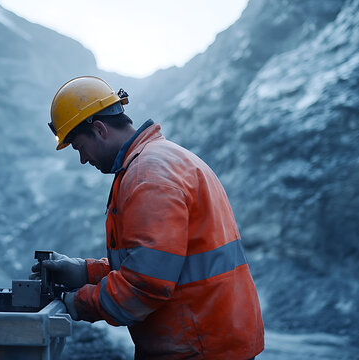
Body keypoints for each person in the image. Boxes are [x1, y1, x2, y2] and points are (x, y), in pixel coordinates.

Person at [32, 76, 264, 359]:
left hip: (199, 346)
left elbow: (145, 284)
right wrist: (84, 271)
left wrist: (78, 303)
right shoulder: (161, 160)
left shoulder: (148, 175)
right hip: (209, 338)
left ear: (100, 129)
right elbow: (160, 263)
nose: (83, 159)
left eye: (80, 147)